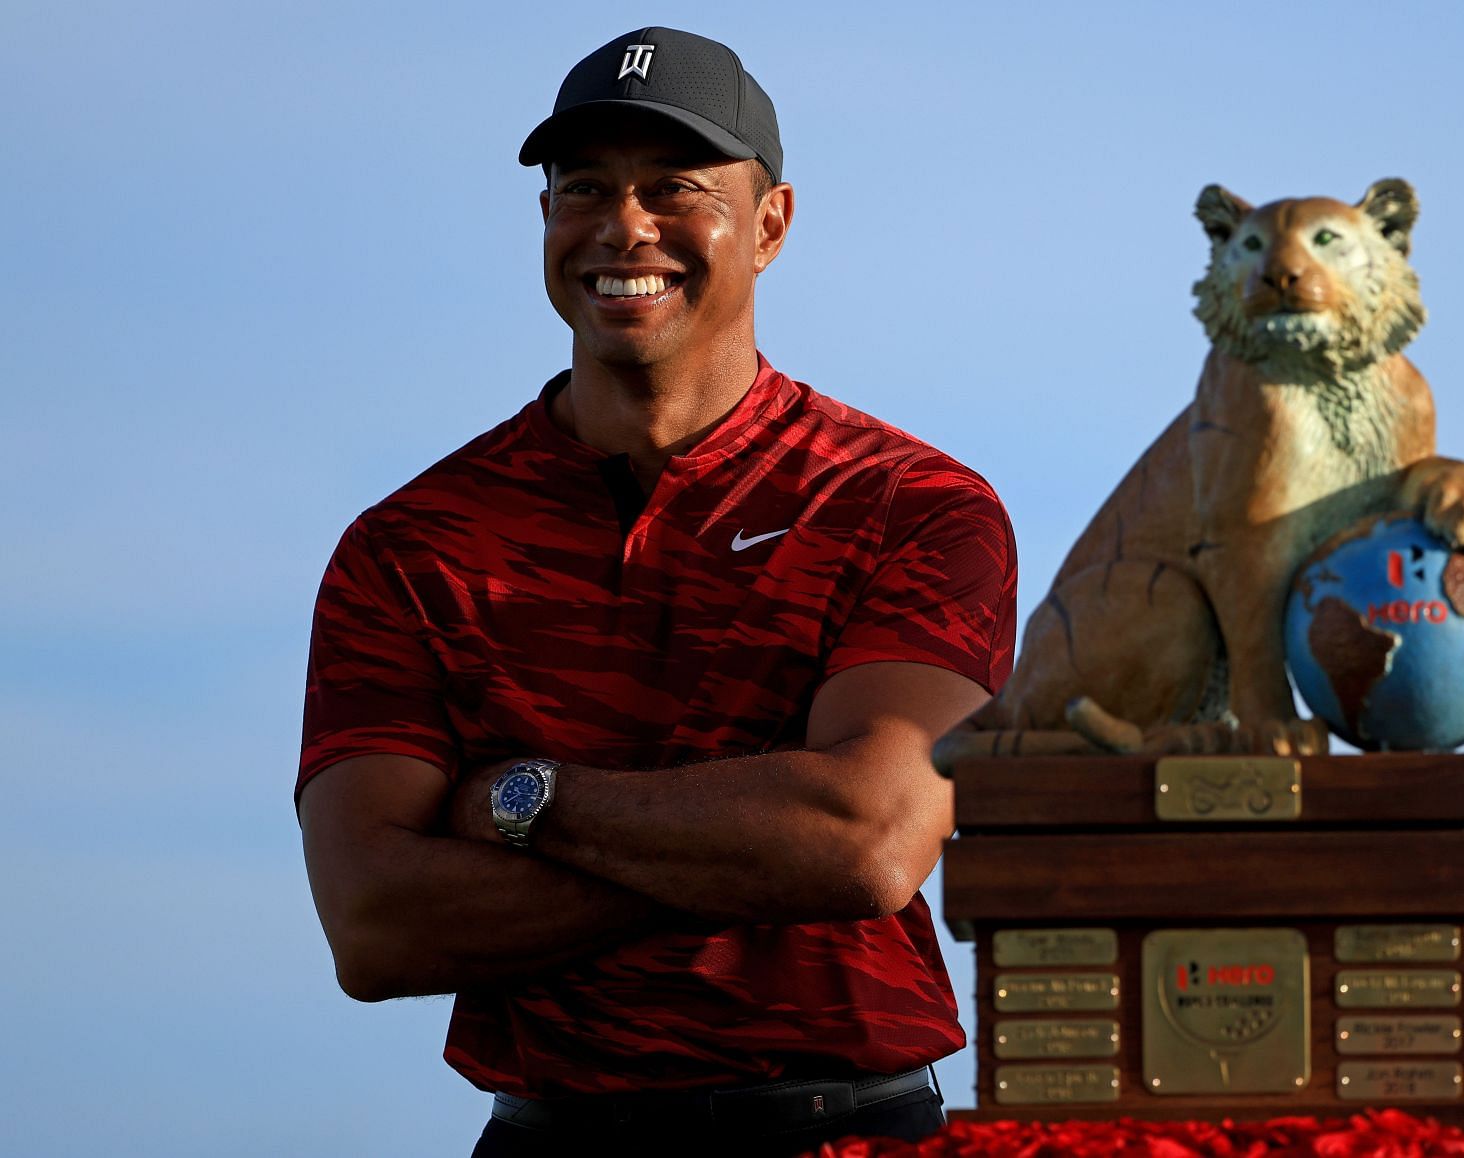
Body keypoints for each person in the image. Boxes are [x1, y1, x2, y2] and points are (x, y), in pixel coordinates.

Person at [295, 26, 1016, 1157]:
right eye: (585, 187)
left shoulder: (908, 505)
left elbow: (868, 840)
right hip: (549, 1137)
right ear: (545, 223)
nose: (625, 227)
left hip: (846, 1128)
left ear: (771, 224)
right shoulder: (411, 544)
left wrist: (524, 805)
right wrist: (761, 851)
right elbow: (376, 925)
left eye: (676, 187)